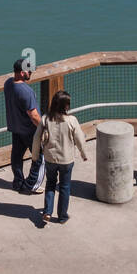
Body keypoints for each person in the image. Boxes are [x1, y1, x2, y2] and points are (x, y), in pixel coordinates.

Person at [30, 90, 88, 225]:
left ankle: (47, 212)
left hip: (50, 158)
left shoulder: (45, 119)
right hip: (66, 160)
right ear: (65, 106)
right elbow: (80, 139)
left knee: (50, 184)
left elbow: (36, 138)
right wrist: (83, 154)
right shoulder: (72, 120)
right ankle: (62, 216)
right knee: (64, 187)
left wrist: (35, 156)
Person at [3, 57, 43, 193]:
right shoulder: (26, 91)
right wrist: (44, 128)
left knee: (16, 157)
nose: (31, 73)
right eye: (29, 72)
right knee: (39, 158)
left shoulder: (8, 84)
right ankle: (31, 184)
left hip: (15, 128)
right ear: (21, 72)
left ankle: (18, 182)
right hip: (29, 130)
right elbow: (34, 115)